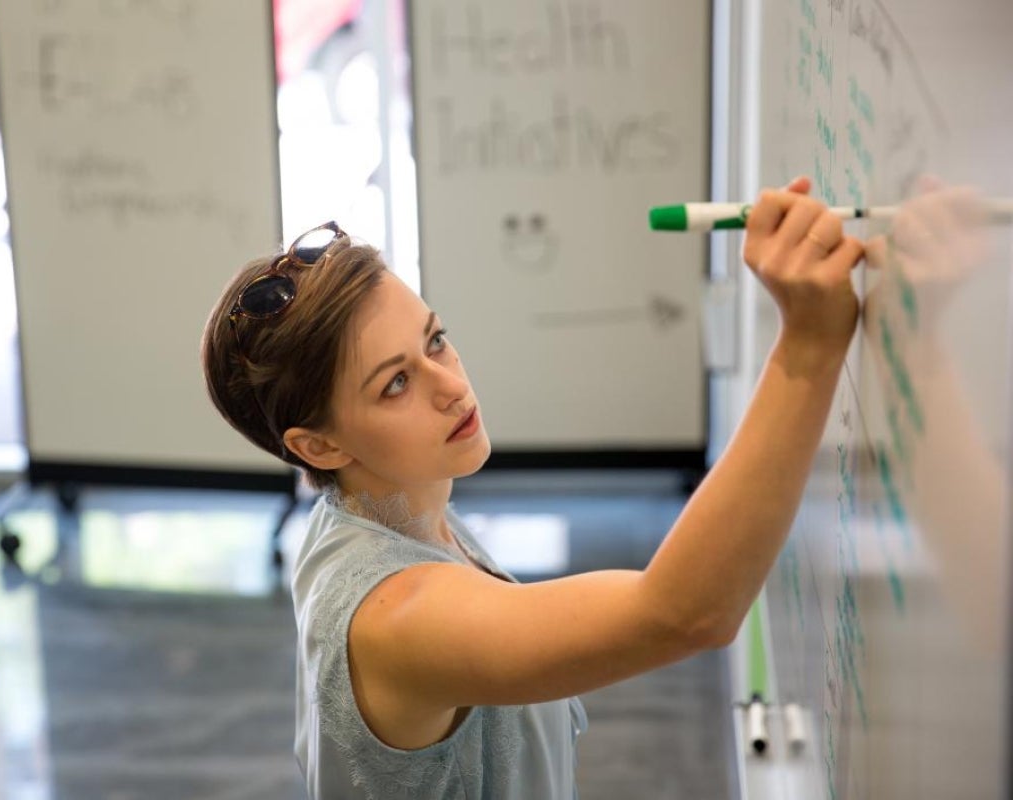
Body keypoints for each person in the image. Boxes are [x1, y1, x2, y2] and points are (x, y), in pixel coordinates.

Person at [199, 176, 866, 799]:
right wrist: (808, 347)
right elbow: (683, 613)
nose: (452, 386)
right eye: (395, 383)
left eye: (435, 342)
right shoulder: (398, 618)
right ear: (317, 446)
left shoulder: (377, 510)